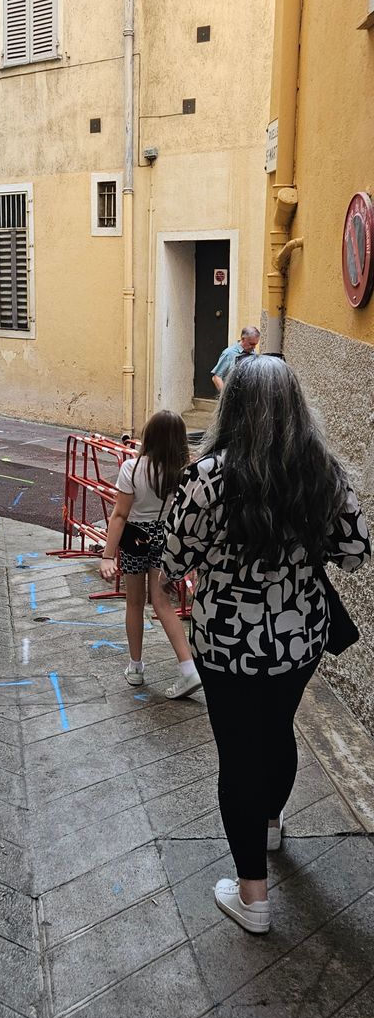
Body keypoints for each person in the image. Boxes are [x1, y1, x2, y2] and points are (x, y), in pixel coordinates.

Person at [161, 356, 370, 935]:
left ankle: (253, 899)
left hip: (226, 644)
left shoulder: (206, 478)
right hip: (298, 641)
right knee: (277, 733)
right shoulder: (322, 473)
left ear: (235, 409)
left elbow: (173, 560)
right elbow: (356, 551)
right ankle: (272, 823)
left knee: (238, 755)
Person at [100, 411, 201, 698]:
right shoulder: (185, 471)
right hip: (167, 540)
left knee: (134, 603)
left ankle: (136, 667)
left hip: (135, 540)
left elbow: (120, 515)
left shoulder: (132, 469)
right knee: (163, 603)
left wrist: (107, 556)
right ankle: (188, 669)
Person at [211, 325, 259, 392]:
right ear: (243, 339)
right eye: (251, 344)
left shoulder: (253, 354)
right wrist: (225, 397)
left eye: (255, 344)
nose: (254, 347)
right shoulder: (229, 353)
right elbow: (216, 377)